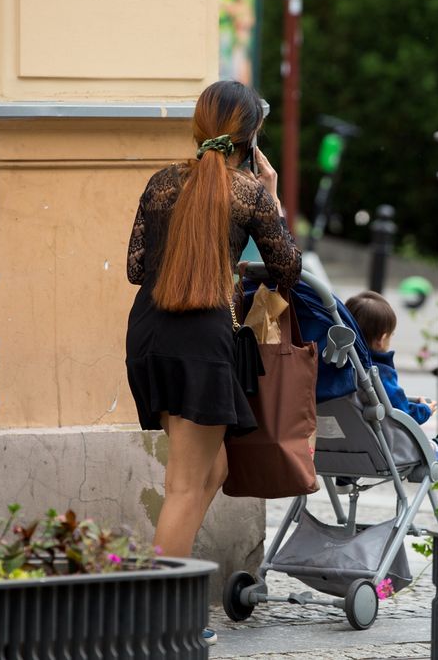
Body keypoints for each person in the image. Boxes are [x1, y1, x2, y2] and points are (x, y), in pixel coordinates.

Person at [124, 81, 302, 625]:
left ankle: (170, 593)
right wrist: (269, 191)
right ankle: (153, 616)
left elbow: (135, 268)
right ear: (251, 137)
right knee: (184, 483)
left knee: (213, 466)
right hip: (200, 342)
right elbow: (287, 267)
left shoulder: (161, 182)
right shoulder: (248, 191)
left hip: (150, 336)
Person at [343, 291, 438, 463]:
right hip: (383, 451)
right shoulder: (378, 373)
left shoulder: (338, 369)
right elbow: (401, 413)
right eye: (391, 336)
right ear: (382, 338)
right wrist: (425, 410)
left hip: (344, 449)